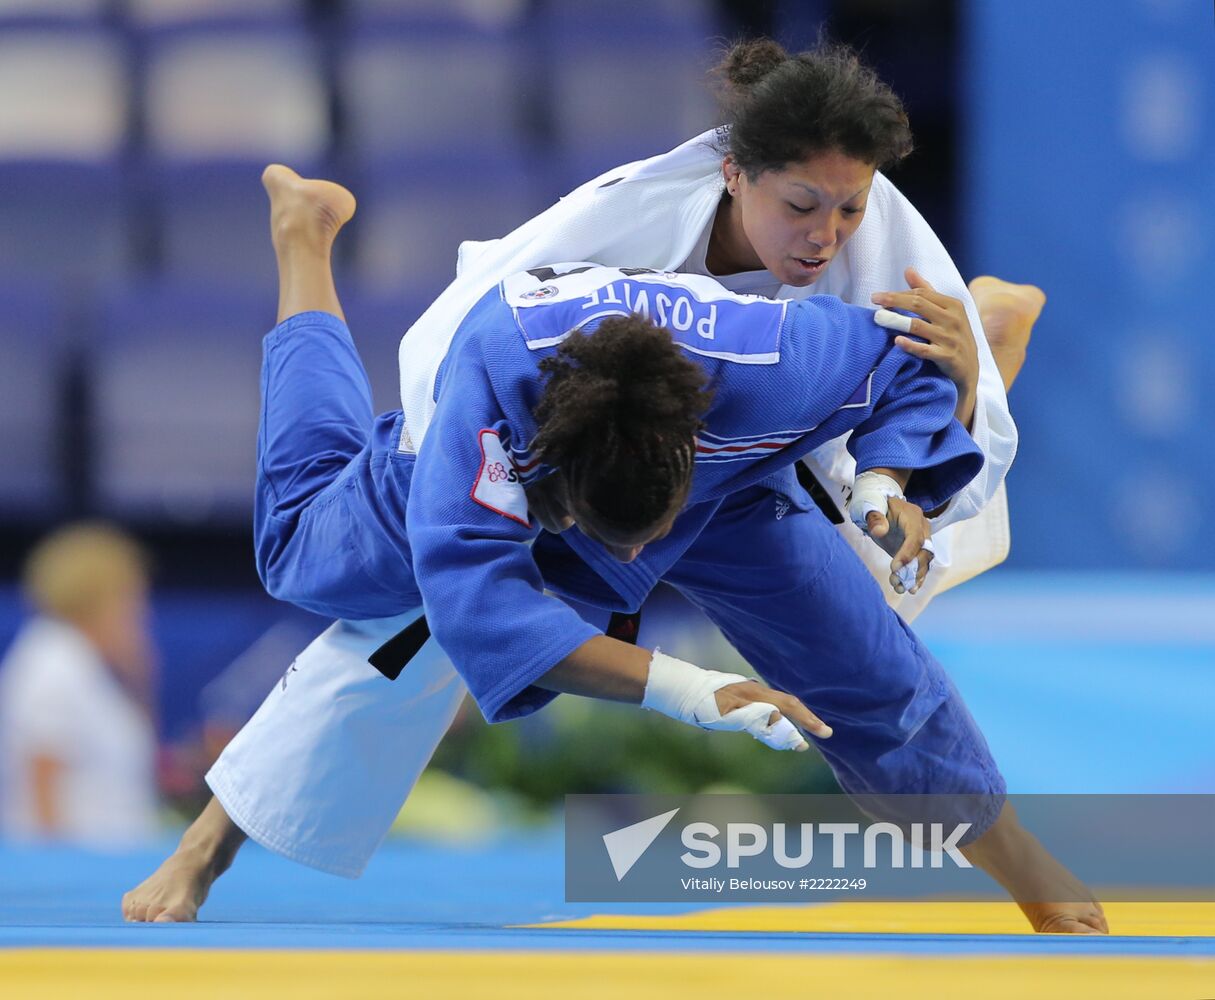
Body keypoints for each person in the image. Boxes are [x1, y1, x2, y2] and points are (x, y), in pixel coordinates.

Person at [123, 167, 1105, 934]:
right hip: (536, 447)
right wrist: (691, 687)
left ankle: (1030, 869)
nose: (827, 231)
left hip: (722, 487)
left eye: (839, 208)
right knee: (340, 585)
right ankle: (304, 242)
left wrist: (954, 386)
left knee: (871, 644)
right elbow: (481, 609)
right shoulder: (489, 400)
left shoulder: (774, 355)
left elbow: (901, 369)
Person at [0, 523, 159, 847]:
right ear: (100, 596)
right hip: (78, 871)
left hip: (112, 859)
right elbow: (41, 787)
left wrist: (141, 678)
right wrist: (63, 877)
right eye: (132, 598)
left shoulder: (85, 663)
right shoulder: (52, 662)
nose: (140, 611)